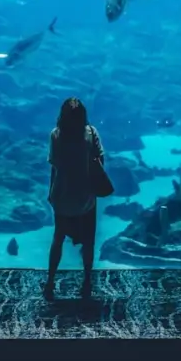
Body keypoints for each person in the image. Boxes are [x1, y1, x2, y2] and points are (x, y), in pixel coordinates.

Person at [43, 97, 104, 301]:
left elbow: (54, 166)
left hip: (62, 195)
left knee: (58, 238)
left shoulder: (55, 135)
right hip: (85, 197)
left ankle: (50, 282)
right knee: (88, 242)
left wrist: (51, 193)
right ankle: (86, 282)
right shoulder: (91, 133)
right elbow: (100, 160)